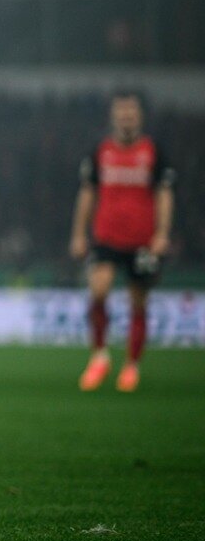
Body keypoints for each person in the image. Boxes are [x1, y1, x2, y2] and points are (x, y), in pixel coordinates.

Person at [70, 91, 174, 392]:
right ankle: (100, 356)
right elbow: (87, 193)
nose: (126, 116)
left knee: (138, 301)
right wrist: (78, 234)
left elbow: (164, 194)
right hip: (106, 236)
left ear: (139, 116)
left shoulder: (153, 152)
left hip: (141, 240)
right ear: (113, 116)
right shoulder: (100, 151)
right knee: (98, 288)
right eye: (122, 111)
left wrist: (162, 233)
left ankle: (131, 366)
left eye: (131, 111)